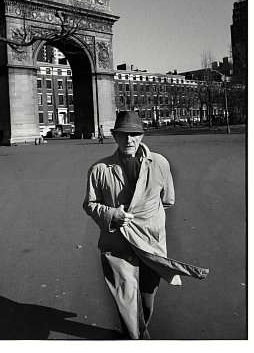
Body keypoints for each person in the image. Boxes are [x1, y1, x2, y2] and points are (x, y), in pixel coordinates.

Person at [83, 111, 209, 340]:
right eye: (123, 135)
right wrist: (112, 214)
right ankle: (137, 338)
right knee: (125, 297)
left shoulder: (160, 163)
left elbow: (168, 200)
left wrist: (145, 218)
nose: (129, 140)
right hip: (117, 243)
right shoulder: (99, 170)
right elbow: (90, 204)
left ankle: (138, 331)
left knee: (147, 295)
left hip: (150, 241)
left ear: (142, 135)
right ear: (114, 136)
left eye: (134, 134)